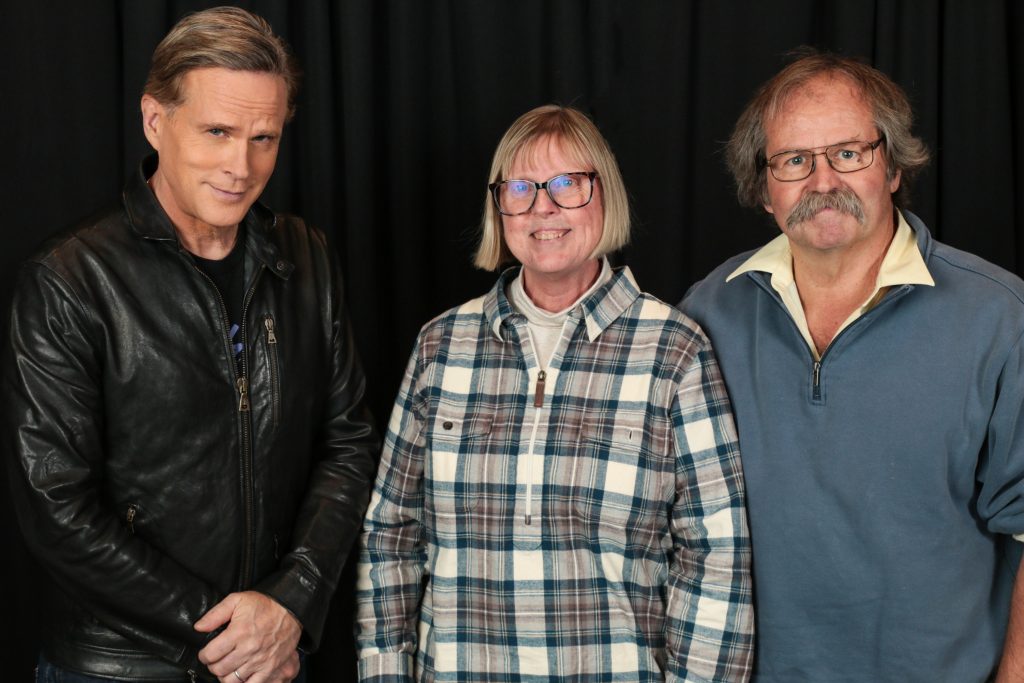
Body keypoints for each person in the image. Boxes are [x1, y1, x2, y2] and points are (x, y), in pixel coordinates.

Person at [2, 7, 378, 682]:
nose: (241, 166)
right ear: (155, 120)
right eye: (217, 132)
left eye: (264, 138)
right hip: (124, 667)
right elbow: (56, 506)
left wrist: (291, 599)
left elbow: (347, 441)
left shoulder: (306, 256)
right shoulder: (71, 278)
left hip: (270, 655)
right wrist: (234, 631)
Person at [355, 104, 753, 681]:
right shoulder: (441, 346)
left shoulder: (674, 350)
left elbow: (717, 557)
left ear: (604, 194)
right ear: (499, 208)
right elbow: (391, 534)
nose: (543, 206)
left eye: (568, 183)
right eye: (520, 188)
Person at [679, 50, 1024, 681]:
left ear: (892, 166)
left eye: (847, 153)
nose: (822, 181)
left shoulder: (1000, 318)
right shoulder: (708, 313)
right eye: (794, 160)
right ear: (764, 189)